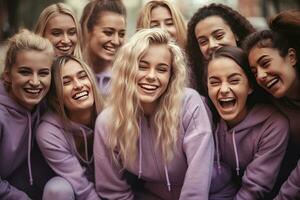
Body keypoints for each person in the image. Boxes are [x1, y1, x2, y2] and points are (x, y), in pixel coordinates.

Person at [94, 28, 214, 200]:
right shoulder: (107, 122)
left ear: (171, 76)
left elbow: (198, 182)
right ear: (127, 69)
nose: (151, 76)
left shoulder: (189, 103)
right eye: (142, 66)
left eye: (162, 69)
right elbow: (113, 191)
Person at [206, 46, 289, 199]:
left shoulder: (273, 125)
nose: (223, 89)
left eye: (234, 80)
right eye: (214, 82)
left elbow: (255, 188)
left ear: (250, 86)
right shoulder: (207, 120)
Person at [242, 9, 300, 200]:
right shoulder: (269, 102)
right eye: (254, 71)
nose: (260, 76)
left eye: (265, 63)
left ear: (291, 57)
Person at [36, 55, 103, 200]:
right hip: (78, 193)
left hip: (113, 192)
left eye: (83, 76)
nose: (78, 85)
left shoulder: (110, 117)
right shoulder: (48, 132)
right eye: (66, 82)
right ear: (55, 97)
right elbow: (82, 188)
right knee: (57, 188)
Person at [0, 29, 54, 199]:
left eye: (43, 73)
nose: (35, 82)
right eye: (25, 72)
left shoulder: (44, 107)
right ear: (7, 76)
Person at [186, 3, 255, 96]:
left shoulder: (257, 67)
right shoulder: (196, 84)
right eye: (203, 42)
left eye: (219, 36)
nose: (212, 45)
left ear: (235, 34)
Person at [80, 0, 126, 95]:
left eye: (121, 34)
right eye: (108, 33)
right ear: (88, 31)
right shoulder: (68, 74)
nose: (116, 41)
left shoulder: (125, 80)